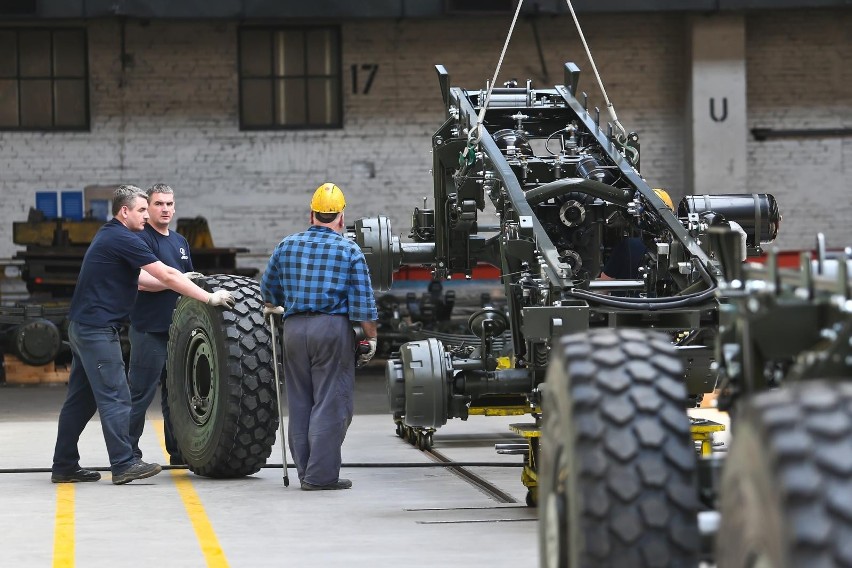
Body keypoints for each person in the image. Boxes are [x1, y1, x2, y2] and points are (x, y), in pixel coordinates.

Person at [51, 185, 235, 485]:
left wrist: (178, 281)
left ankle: (64, 465)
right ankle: (124, 464)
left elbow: (144, 277)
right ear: (125, 211)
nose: (146, 215)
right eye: (141, 209)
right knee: (117, 396)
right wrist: (209, 298)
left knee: (80, 401)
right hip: (97, 329)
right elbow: (166, 274)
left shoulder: (108, 234)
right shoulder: (124, 237)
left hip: (84, 326)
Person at [260, 183, 378, 491]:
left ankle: (305, 472)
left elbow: (268, 291)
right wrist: (372, 340)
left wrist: (277, 305)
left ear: (312, 214)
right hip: (331, 330)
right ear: (341, 217)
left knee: (300, 402)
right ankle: (320, 477)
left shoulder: (286, 245)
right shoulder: (349, 250)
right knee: (331, 402)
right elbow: (364, 305)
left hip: (294, 329)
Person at [128, 184, 201, 466]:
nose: (165, 209)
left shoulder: (180, 242)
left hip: (178, 330)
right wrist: (178, 282)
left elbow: (188, 282)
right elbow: (141, 282)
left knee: (177, 396)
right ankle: (128, 455)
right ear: (148, 206)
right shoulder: (139, 239)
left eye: (169, 204)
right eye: (159, 204)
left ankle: (179, 453)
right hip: (149, 330)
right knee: (140, 395)